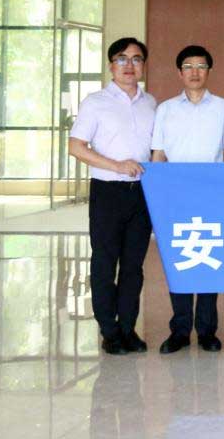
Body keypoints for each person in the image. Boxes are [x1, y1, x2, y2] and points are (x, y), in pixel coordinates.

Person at [68, 37, 157, 356]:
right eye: (122, 59)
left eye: (136, 59)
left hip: (142, 193)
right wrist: (117, 165)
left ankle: (128, 328)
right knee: (105, 262)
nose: (129, 65)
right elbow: (76, 147)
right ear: (111, 65)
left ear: (143, 65)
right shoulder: (95, 102)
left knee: (134, 265)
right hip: (108, 191)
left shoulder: (151, 103)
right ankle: (109, 330)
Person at [150, 44, 224, 354]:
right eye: (188, 66)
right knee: (180, 263)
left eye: (201, 66)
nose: (195, 72)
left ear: (209, 71)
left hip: (212, 195)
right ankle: (180, 330)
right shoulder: (165, 109)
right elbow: (158, 155)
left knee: (209, 261)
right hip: (176, 197)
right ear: (179, 72)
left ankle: (207, 331)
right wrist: (158, 198)